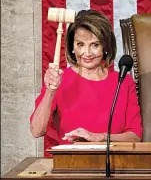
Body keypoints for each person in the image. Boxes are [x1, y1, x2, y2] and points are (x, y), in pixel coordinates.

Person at [30, 9, 143, 147]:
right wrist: (50, 91)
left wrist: (99, 137)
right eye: (80, 45)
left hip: (114, 162)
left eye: (95, 45)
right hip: (70, 164)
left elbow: (135, 136)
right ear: (72, 47)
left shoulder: (123, 82)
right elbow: (36, 130)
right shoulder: (60, 79)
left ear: (105, 46)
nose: (87, 53)